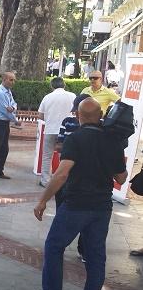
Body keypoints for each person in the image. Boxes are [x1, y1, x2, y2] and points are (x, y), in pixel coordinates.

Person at [26, 98, 127, 290]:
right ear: (100, 115)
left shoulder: (76, 139)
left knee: (54, 246)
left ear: (79, 117)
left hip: (76, 205)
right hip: (102, 207)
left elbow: (61, 174)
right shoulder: (114, 141)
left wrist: (43, 200)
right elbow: (121, 177)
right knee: (96, 257)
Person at [55, 93, 91, 262]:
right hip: (70, 176)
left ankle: (81, 249)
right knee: (62, 211)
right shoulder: (67, 122)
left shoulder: (99, 130)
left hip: (75, 178)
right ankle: (59, 246)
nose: (76, 114)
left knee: (78, 215)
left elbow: (60, 147)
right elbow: (58, 145)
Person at [37, 77, 75, 187]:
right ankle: (64, 181)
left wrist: (50, 119)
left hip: (50, 129)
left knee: (47, 156)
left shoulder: (47, 97)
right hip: (67, 131)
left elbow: (40, 115)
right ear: (64, 85)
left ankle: (45, 181)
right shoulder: (72, 96)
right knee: (65, 156)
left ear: (52, 86)